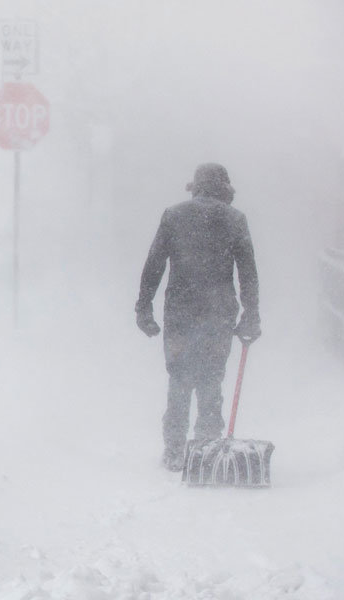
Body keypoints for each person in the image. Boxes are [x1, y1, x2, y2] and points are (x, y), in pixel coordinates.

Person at [135, 163, 261, 471]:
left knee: (179, 378)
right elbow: (248, 273)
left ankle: (175, 450)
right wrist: (251, 314)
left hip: (180, 311)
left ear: (195, 187)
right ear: (225, 188)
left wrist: (144, 307)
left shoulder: (174, 216)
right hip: (218, 313)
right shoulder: (235, 220)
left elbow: (154, 264)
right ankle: (206, 447)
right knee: (210, 378)